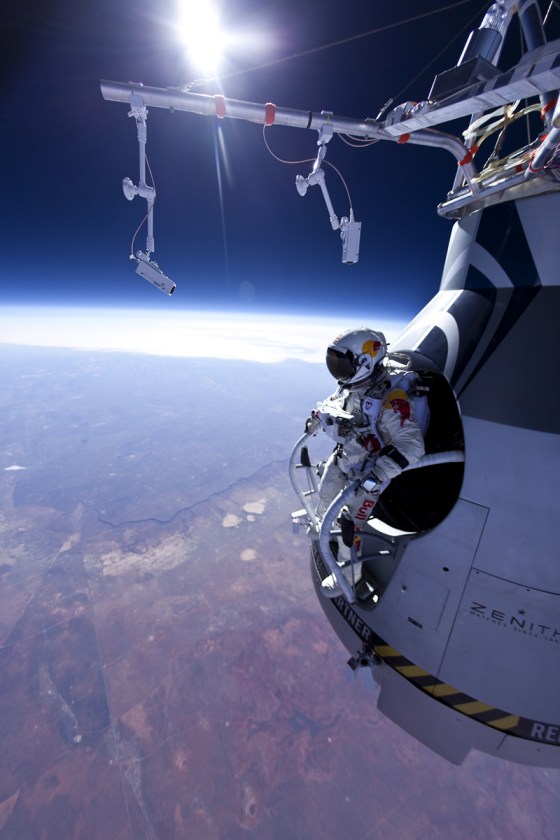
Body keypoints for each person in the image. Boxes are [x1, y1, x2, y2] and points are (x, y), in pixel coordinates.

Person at [310, 327, 425, 598]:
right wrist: (316, 418)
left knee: (350, 525)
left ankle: (350, 576)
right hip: (346, 457)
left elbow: (412, 445)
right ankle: (324, 530)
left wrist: (377, 475)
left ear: (364, 362)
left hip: (369, 472)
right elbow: (332, 404)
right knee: (325, 497)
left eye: (342, 364)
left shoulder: (391, 399)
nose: (338, 372)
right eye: (335, 364)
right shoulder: (352, 388)